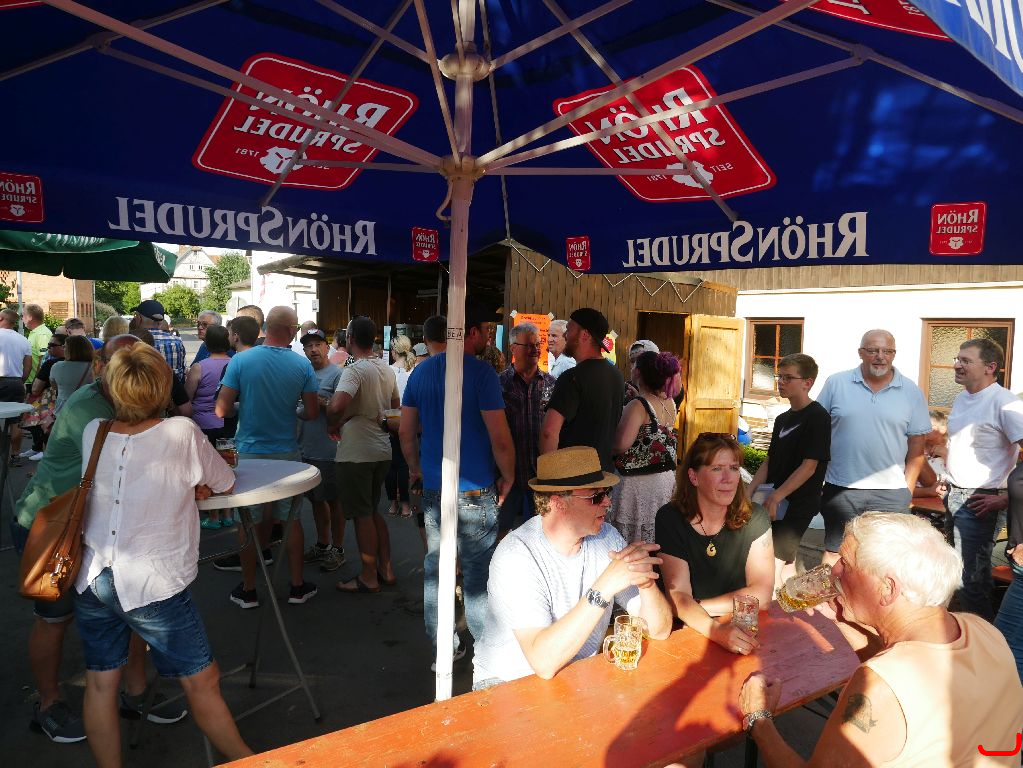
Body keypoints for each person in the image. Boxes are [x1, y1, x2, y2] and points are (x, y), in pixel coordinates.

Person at [73, 343, 251, 766]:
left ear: (111, 385)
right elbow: (225, 481)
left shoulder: (95, 430)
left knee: (100, 683)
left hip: (93, 574)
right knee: (202, 680)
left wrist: (188, 480)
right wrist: (194, 482)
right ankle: (251, 762)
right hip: (151, 579)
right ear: (163, 387)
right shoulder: (180, 432)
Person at [739, 512, 1023, 768]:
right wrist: (841, 620)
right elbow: (899, 662)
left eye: (845, 564)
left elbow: (889, 681)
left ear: (887, 588)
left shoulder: (879, 687)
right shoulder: (982, 630)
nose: (833, 570)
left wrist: (758, 720)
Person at [11, 335, 187, 744]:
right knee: (55, 619)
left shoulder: (128, 400)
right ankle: (48, 704)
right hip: (53, 525)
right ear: (99, 366)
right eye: (120, 360)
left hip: (94, 525)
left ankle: (136, 691)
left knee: (128, 605)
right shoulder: (91, 412)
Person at [472, 446, 672, 688]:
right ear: (558, 503)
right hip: (507, 684)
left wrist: (647, 584)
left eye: (607, 492)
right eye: (595, 497)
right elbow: (543, 663)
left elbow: (659, 630)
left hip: (574, 677)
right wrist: (604, 587)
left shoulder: (607, 537)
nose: (608, 502)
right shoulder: (517, 555)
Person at [400, 300, 515, 667]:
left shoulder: (420, 373)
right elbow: (500, 437)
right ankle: (487, 652)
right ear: (469, 332)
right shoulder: (481, 374)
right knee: (478, 574)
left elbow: (406, 432)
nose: (487, 337)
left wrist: (415, 468)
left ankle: (443, 648)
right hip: (476, 489)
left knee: (437, 570)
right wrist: (510, 475)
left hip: (436, 488)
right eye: (484, 330)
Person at [214, 306, 320, 608]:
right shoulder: (302, 364)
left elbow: (221, 410)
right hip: (287, 453)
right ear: (290, 331)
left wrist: (245, 406)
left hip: (249, 453)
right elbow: (312, 412)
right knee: (291, 519)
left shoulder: (241, 360)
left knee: (249, 521)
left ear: (267, 328)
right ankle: (297, 586)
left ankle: (249, 589)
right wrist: (293, 410)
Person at [816, 330, 931, 567]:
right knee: (836, 553)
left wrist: (907, 489)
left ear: (894, 355)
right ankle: (830, 593)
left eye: (887, 351)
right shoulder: (836, 383)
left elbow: (917, 445)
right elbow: (816, 431)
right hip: (841, 489)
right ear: (860, 353)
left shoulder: (911, 391)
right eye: (873, 350)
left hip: (890, 493)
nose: (880, 356)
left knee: (886, 559)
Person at [656, 432, 774, 654]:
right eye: (717, 469)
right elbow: (678, 595)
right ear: (694, 477)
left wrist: (696, 607)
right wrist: (715, 630)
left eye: (734, 468)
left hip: (739, 627)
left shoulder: (755, 517)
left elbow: (763, 595)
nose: (728, 478)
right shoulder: (670, 518)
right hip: (686, 632)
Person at [943, 339, 1023, 619]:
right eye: (957, 359)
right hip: (954, 493)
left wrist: (1005, 498)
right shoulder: (962, 397)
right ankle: (965, 632)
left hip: (981, 500)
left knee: (971, 581)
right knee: (953, 574)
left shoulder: (1005, 403)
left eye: (966, 361)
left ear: (990, 367)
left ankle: (984, 639)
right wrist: (946, 477)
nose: (957, 365)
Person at [329, 316, 399, 593]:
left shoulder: (355, 370)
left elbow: (337, 405)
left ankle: (369, 575)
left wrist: (332, 422)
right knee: (371, 511)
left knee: (362, 515)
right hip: (381, 448)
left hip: (357, 451)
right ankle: (386, 568)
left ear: (350, 339)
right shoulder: (386, 369)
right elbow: (395, 407)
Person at [748, 353, 830, 587]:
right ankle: (785, 603)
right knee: (785, 562)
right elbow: (769, 461)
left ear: (807, 382)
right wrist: (749, 491)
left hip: (796, 503)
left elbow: (809, 466)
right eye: (779, 377)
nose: (781, 382)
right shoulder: (782, 419)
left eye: (788, 378)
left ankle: (767, 603)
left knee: (772, 564)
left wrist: (777, 496)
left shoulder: (818, 417)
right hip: (773, 500)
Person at [539, 308, 625, 472]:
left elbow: (549, 432)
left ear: (584, 335)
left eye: (569, 329)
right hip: (604, 475)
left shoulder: (571, 378)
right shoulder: (617, 375)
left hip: (573, 476)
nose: (565, 335)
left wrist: (548, 475)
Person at [610, 350, 680, 544]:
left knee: (631, 539)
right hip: (663, 479)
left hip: (637, 483)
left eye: (634, 365)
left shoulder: (638, 405)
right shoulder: (669, 402)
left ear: (639, 372)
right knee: (656, 531)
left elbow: (621, 445)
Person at [499, 321, 556, 533]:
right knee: (501, 532)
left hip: (541, 476)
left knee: (542, 533)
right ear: (513, 348)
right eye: (529, 345)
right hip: (508, 474)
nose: (535, 350)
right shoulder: (500, 384)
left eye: (537, 344)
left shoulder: (552, 384)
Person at [297, 328, 346, 573]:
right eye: (309, 345)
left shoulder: (338, 374)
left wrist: (319, 401)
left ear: (327, 347)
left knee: (335, 501)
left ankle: (338, 549)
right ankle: (322, 544)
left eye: (318, 344)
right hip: (306, 447)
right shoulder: (302, 373)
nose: (314, 349)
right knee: (316, 500)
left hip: (330, 450)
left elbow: (344, 411)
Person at [184, 324, 234, 529]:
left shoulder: (199, 367)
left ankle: (213, 516)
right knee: (227, 466)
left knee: (208, 471)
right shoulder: (234, 364)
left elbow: (188, 396)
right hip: (227, 423)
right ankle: (228, 513)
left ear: (206, 344)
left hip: (203, 425)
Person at [385, 334, 416, 518]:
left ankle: (393, 504)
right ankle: (405, 505)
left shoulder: (388, 371)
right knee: (404, 464)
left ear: (394, 352)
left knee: (391, 464)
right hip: (409, 420)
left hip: (390, 420)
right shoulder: (414, 370)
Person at [130, 299, 187, 381]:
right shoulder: (177, 342)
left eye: (135, 316)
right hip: (171, 388)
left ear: (139, 318)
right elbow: (182, 371)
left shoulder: (133, 341)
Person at [49, 335, 95, 415]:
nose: (63, 348)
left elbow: (54, 387)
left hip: (63, 411)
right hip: (87, 410)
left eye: (65, 346)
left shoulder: (57, 366)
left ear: (70, 350)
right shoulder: (95, 367)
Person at [0, 307, 31, 405]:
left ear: (0, 318)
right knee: (14, 413)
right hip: (16, 384)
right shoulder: (24, 340)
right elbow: (28, 366)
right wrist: (20, 381)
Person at [22, 302, 52, 387]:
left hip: (35, 383)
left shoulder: (41, 334)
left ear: (30, 317)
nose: (22, 319)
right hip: (32, 382)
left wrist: (35, 384)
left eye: (23, 316)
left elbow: (43, 361)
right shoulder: (36, 332)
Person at [623, 339, 659, 404]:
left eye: (640, 360)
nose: (635, 366)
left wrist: (638, 400)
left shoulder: (663, 392)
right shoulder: (626, 388)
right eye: (632, 361)